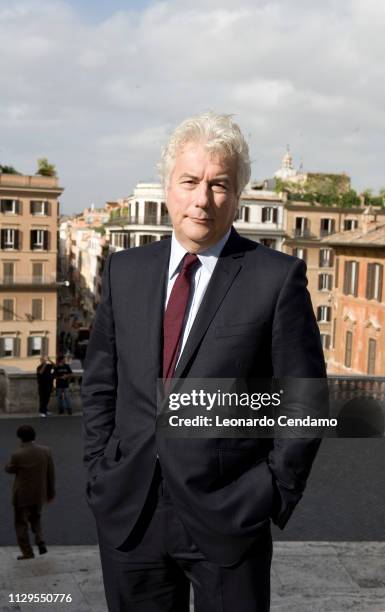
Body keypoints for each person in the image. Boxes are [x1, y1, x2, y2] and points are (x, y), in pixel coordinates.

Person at [82, 112, 327, 611]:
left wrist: (271, 492)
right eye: (190, 181)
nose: (202, 199)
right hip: (131, 510)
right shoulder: (124, 270)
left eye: (219, 185)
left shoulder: (276, 279)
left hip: (229, 515)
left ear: (237, 194)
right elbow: (101, 381)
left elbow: (304, 399)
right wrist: (98, 470)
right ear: (168, 185)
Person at [5, 425, 55, 560]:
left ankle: (27, 552)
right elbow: (51, 474)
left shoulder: (17, 455)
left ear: (20, 438)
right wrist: (51, 493)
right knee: (36, 517)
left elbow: (9, 469)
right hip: (39, 493)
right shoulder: (46, 451)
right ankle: (40, 540)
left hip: (22, 495)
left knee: (21, 523)